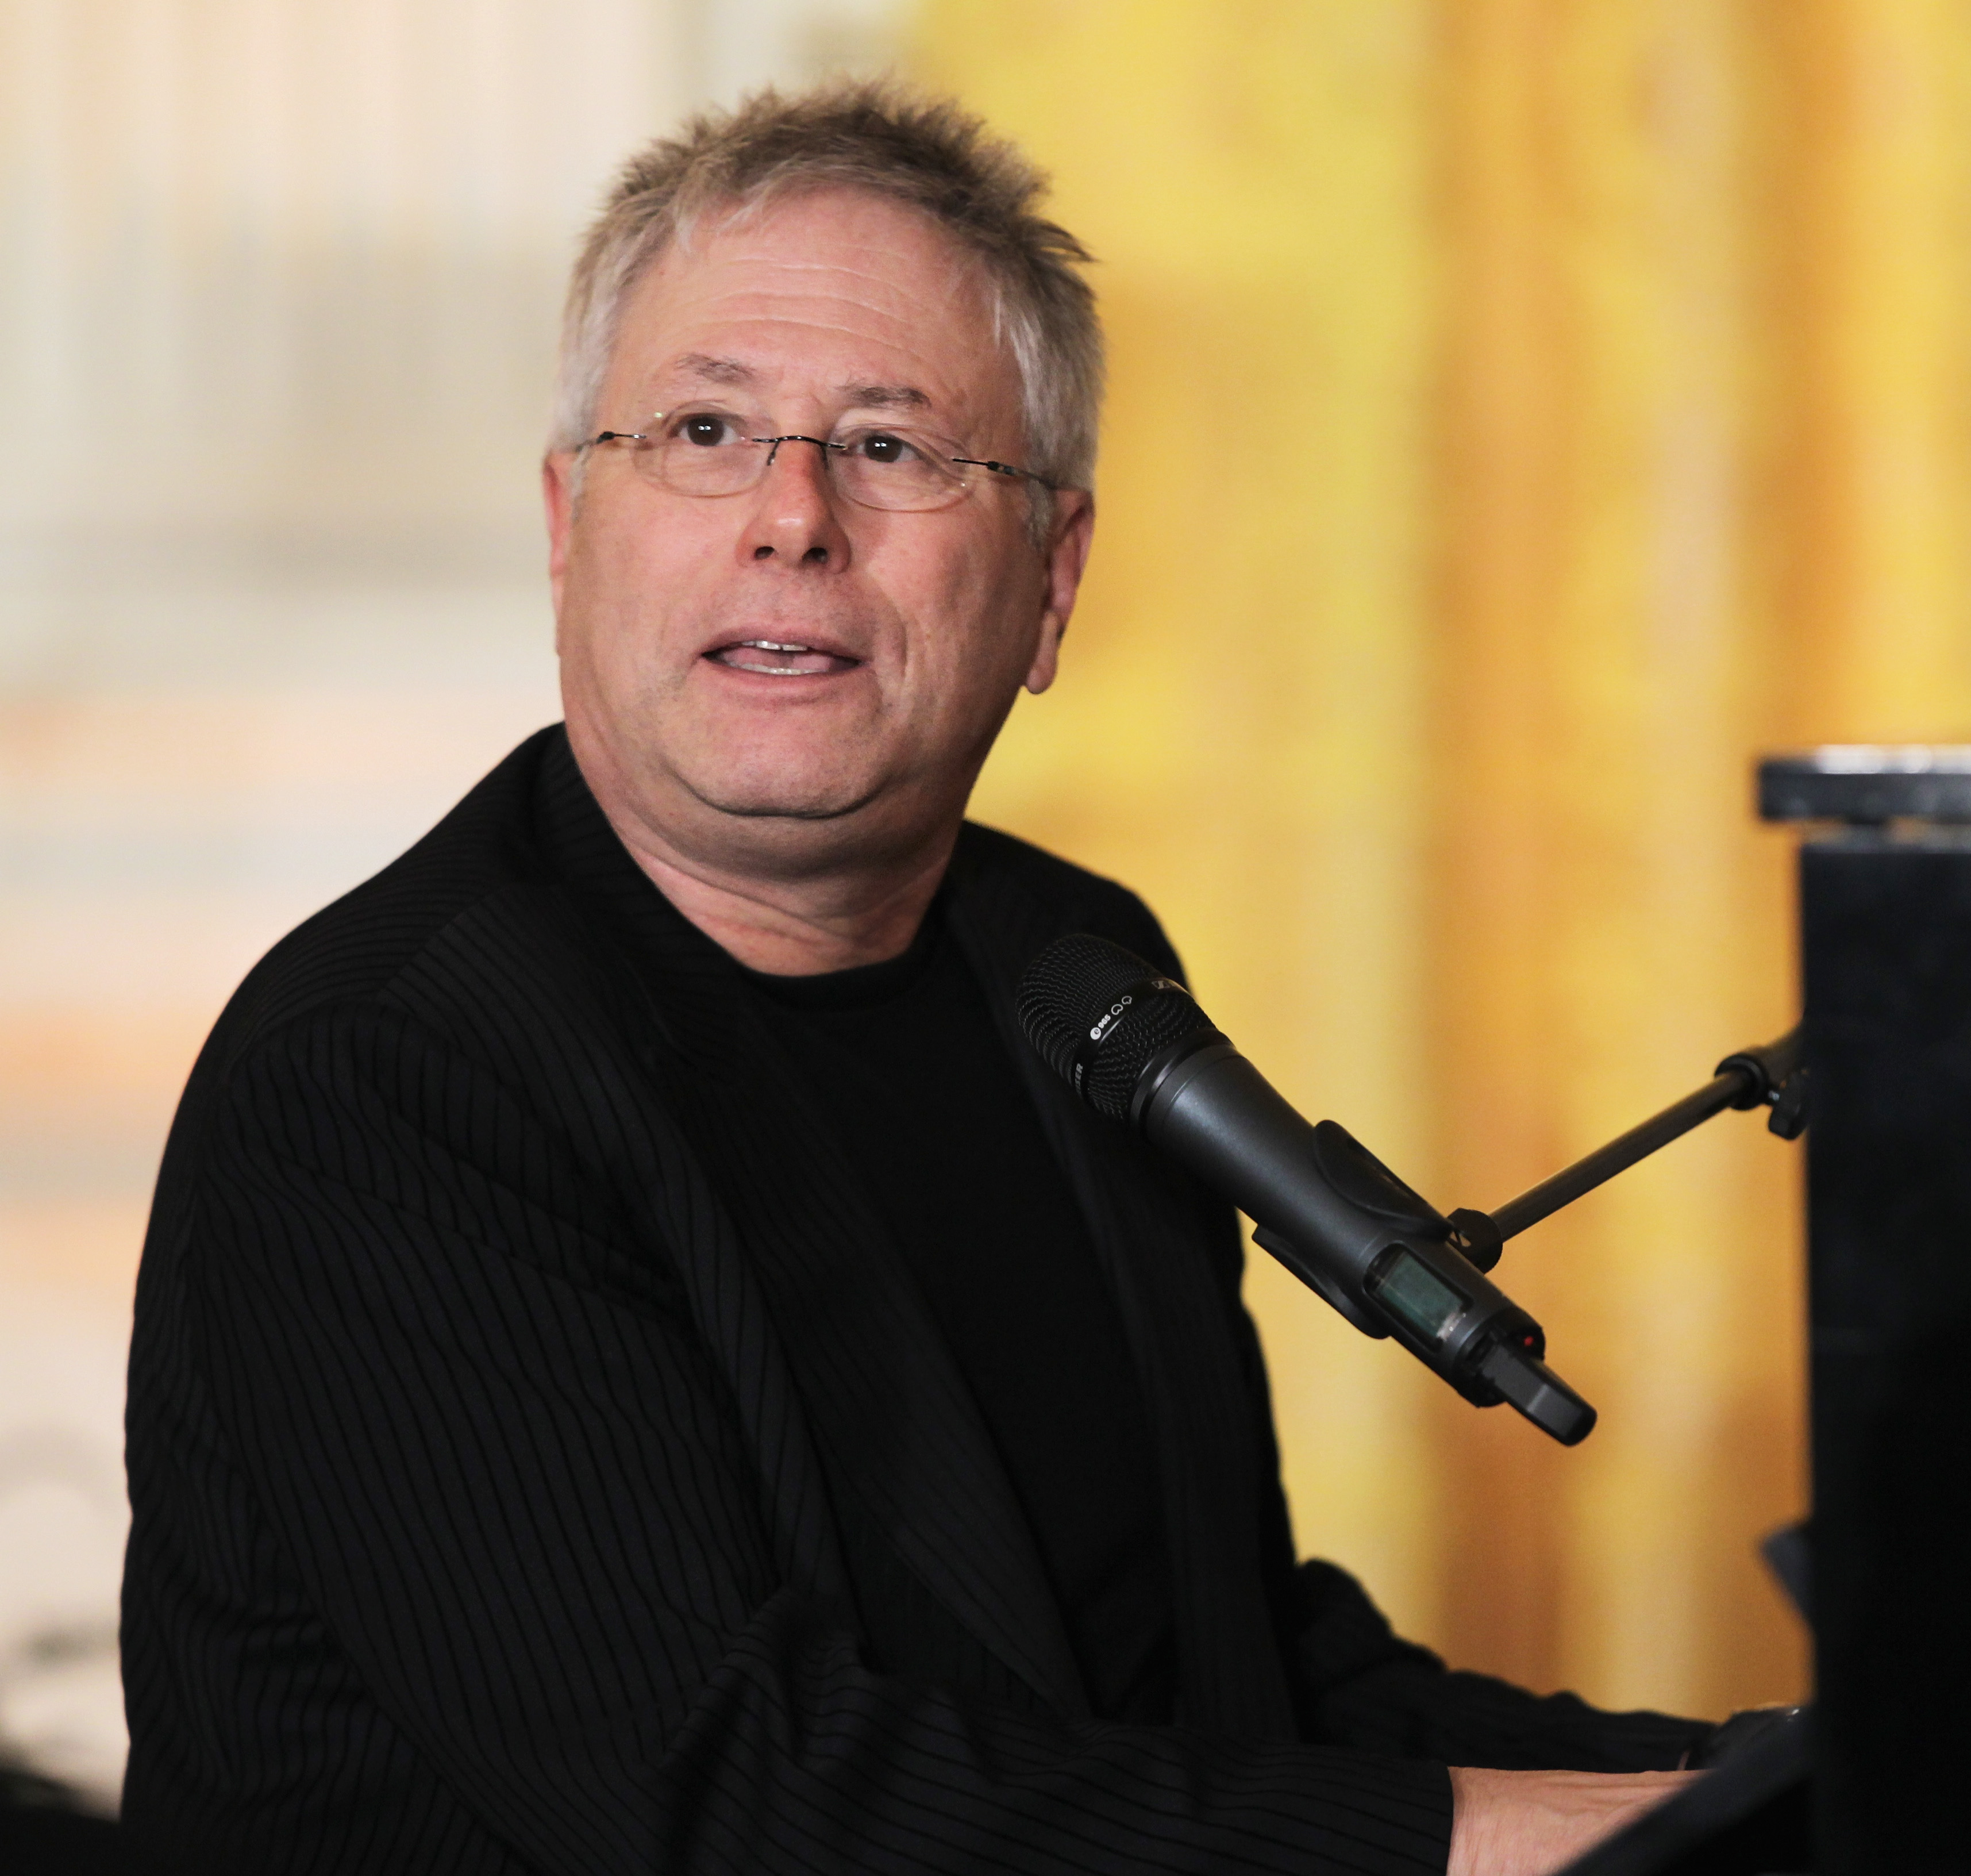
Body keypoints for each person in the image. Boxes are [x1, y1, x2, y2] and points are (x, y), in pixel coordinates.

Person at [121, 79, 1706, 1876]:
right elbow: (744, 1800)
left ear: (1050, 585)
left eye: (892, 446)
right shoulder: (389, 1079)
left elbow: (1210, 1668)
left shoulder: (1074, 979)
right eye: (708, 429)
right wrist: (1492, 1843)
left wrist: (1742, 1782)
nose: (795, 516)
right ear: (569, 529)